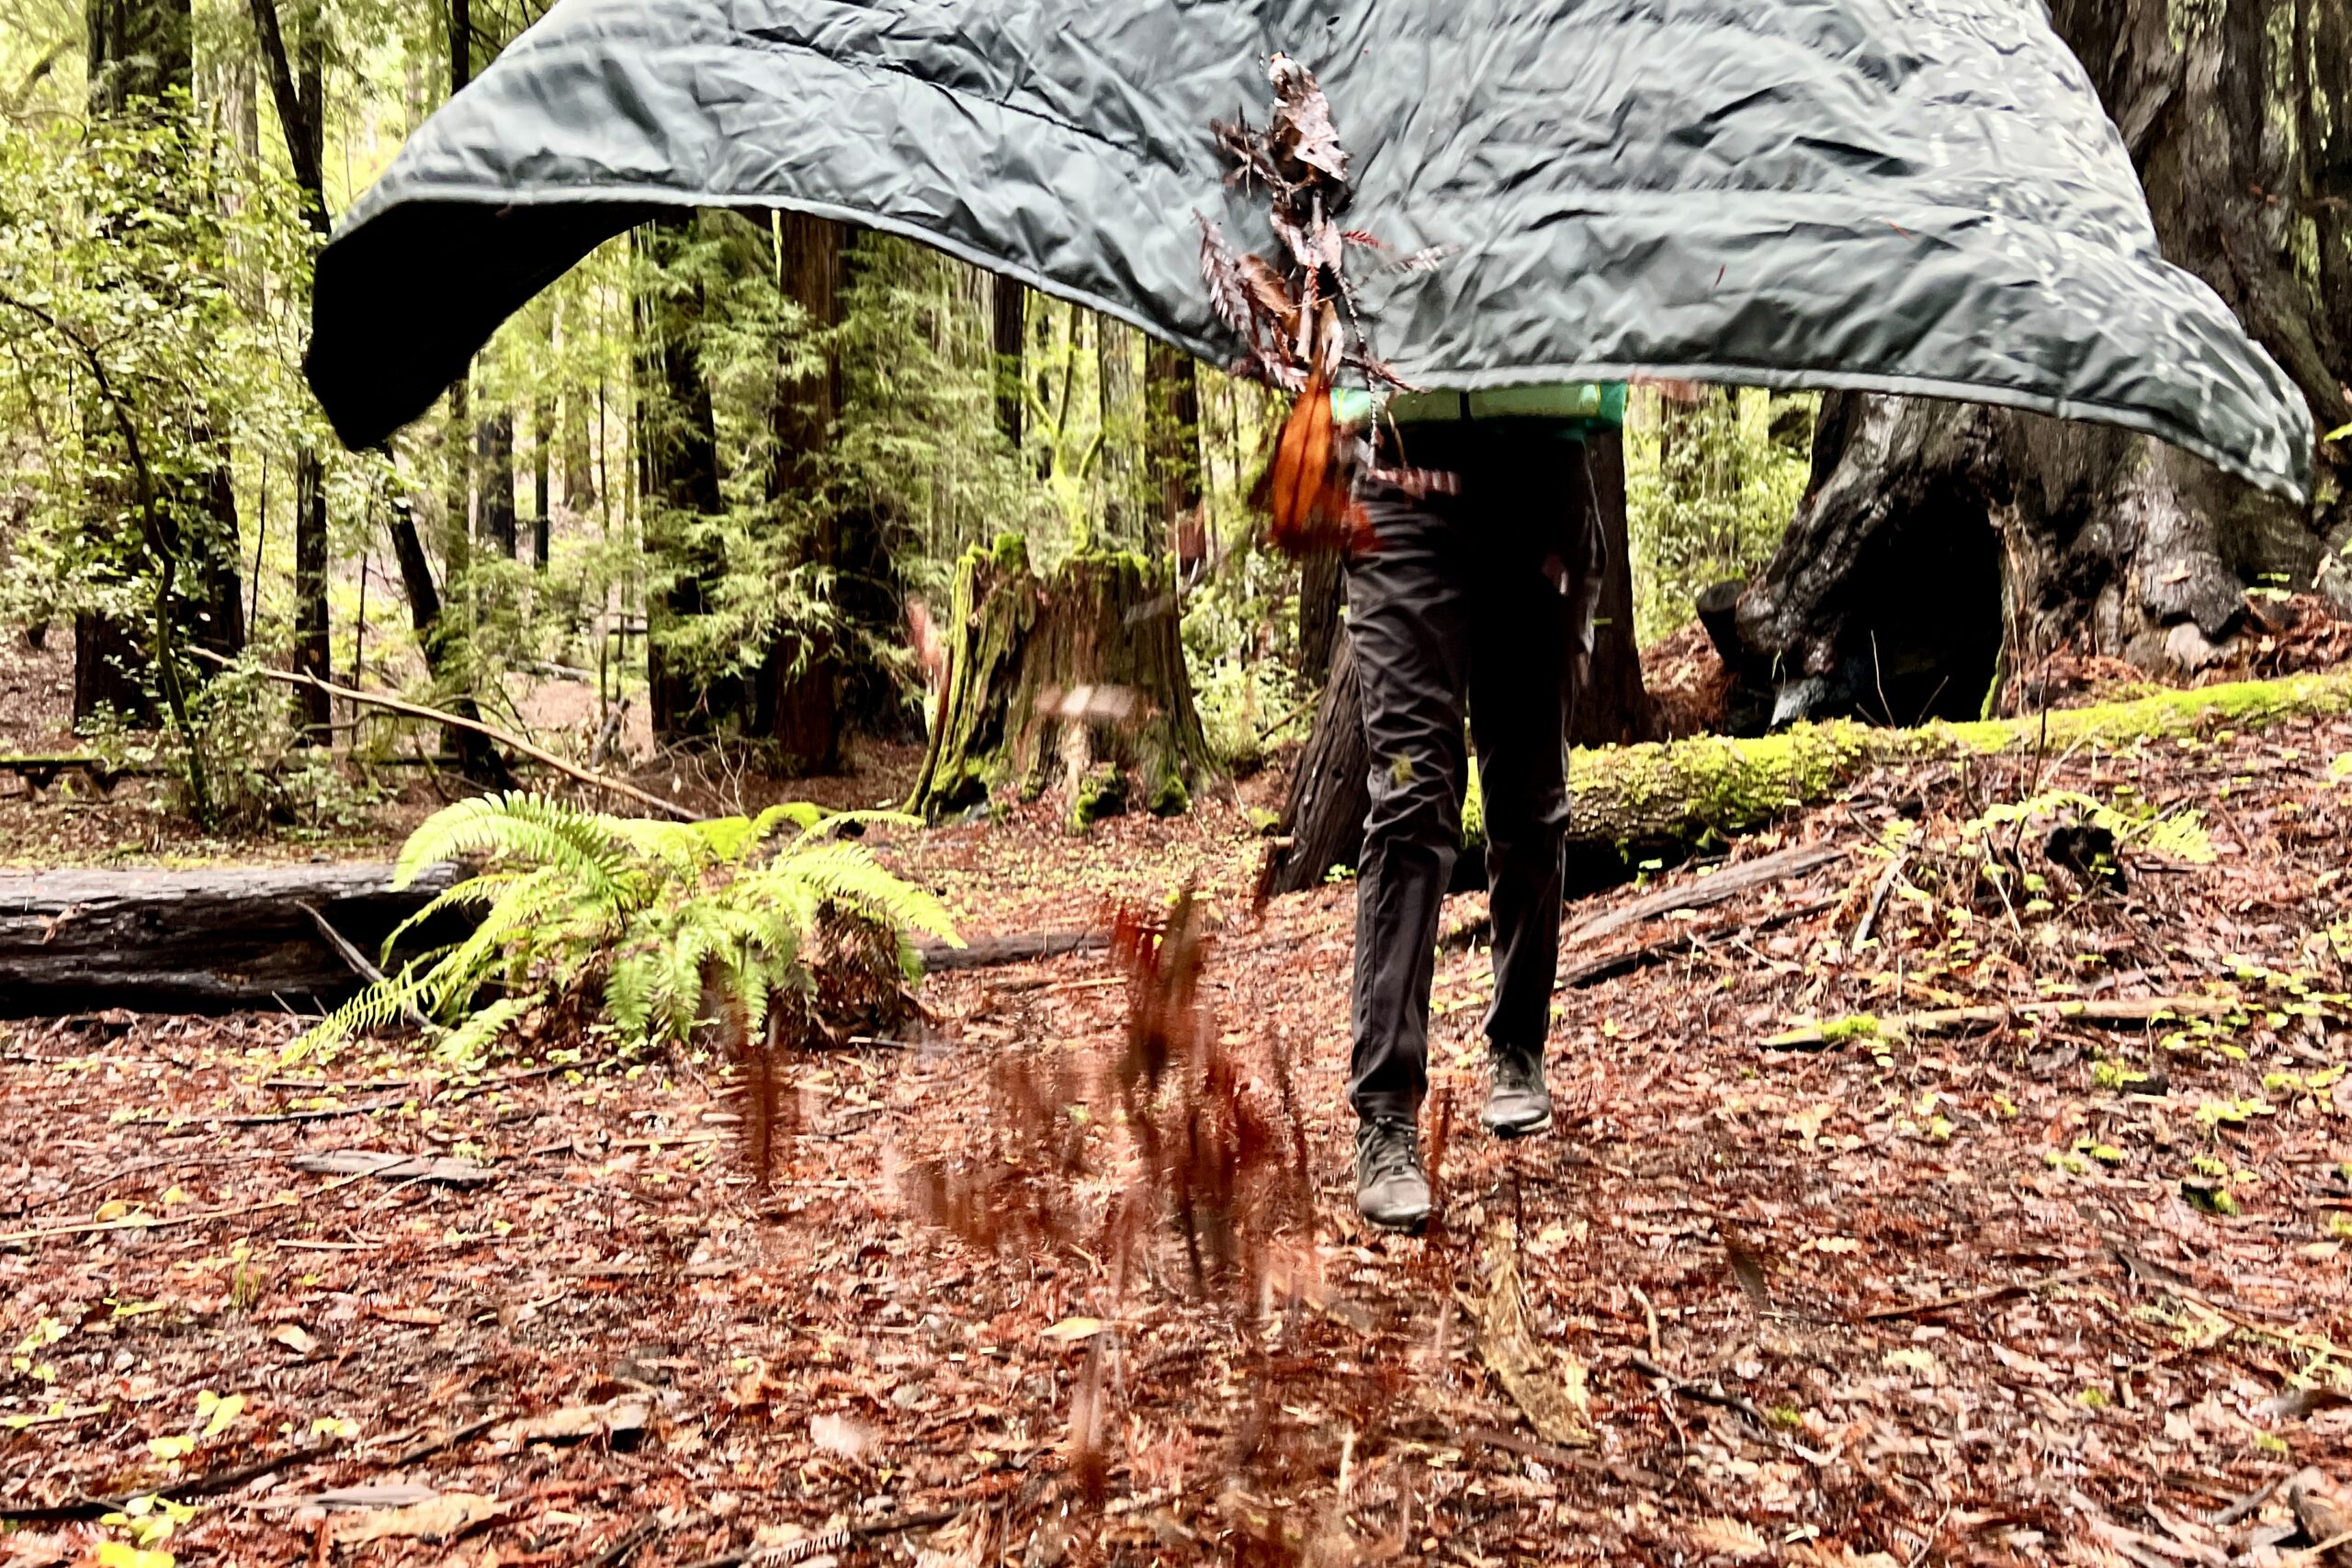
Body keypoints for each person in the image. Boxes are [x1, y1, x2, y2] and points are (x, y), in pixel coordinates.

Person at [1331, 380, 1625, 1233]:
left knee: (1529, 799)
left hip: (1546, 466)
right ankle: (1386, 1112)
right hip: (1397, 472)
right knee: (1411, 795)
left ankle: (1518, 1042)